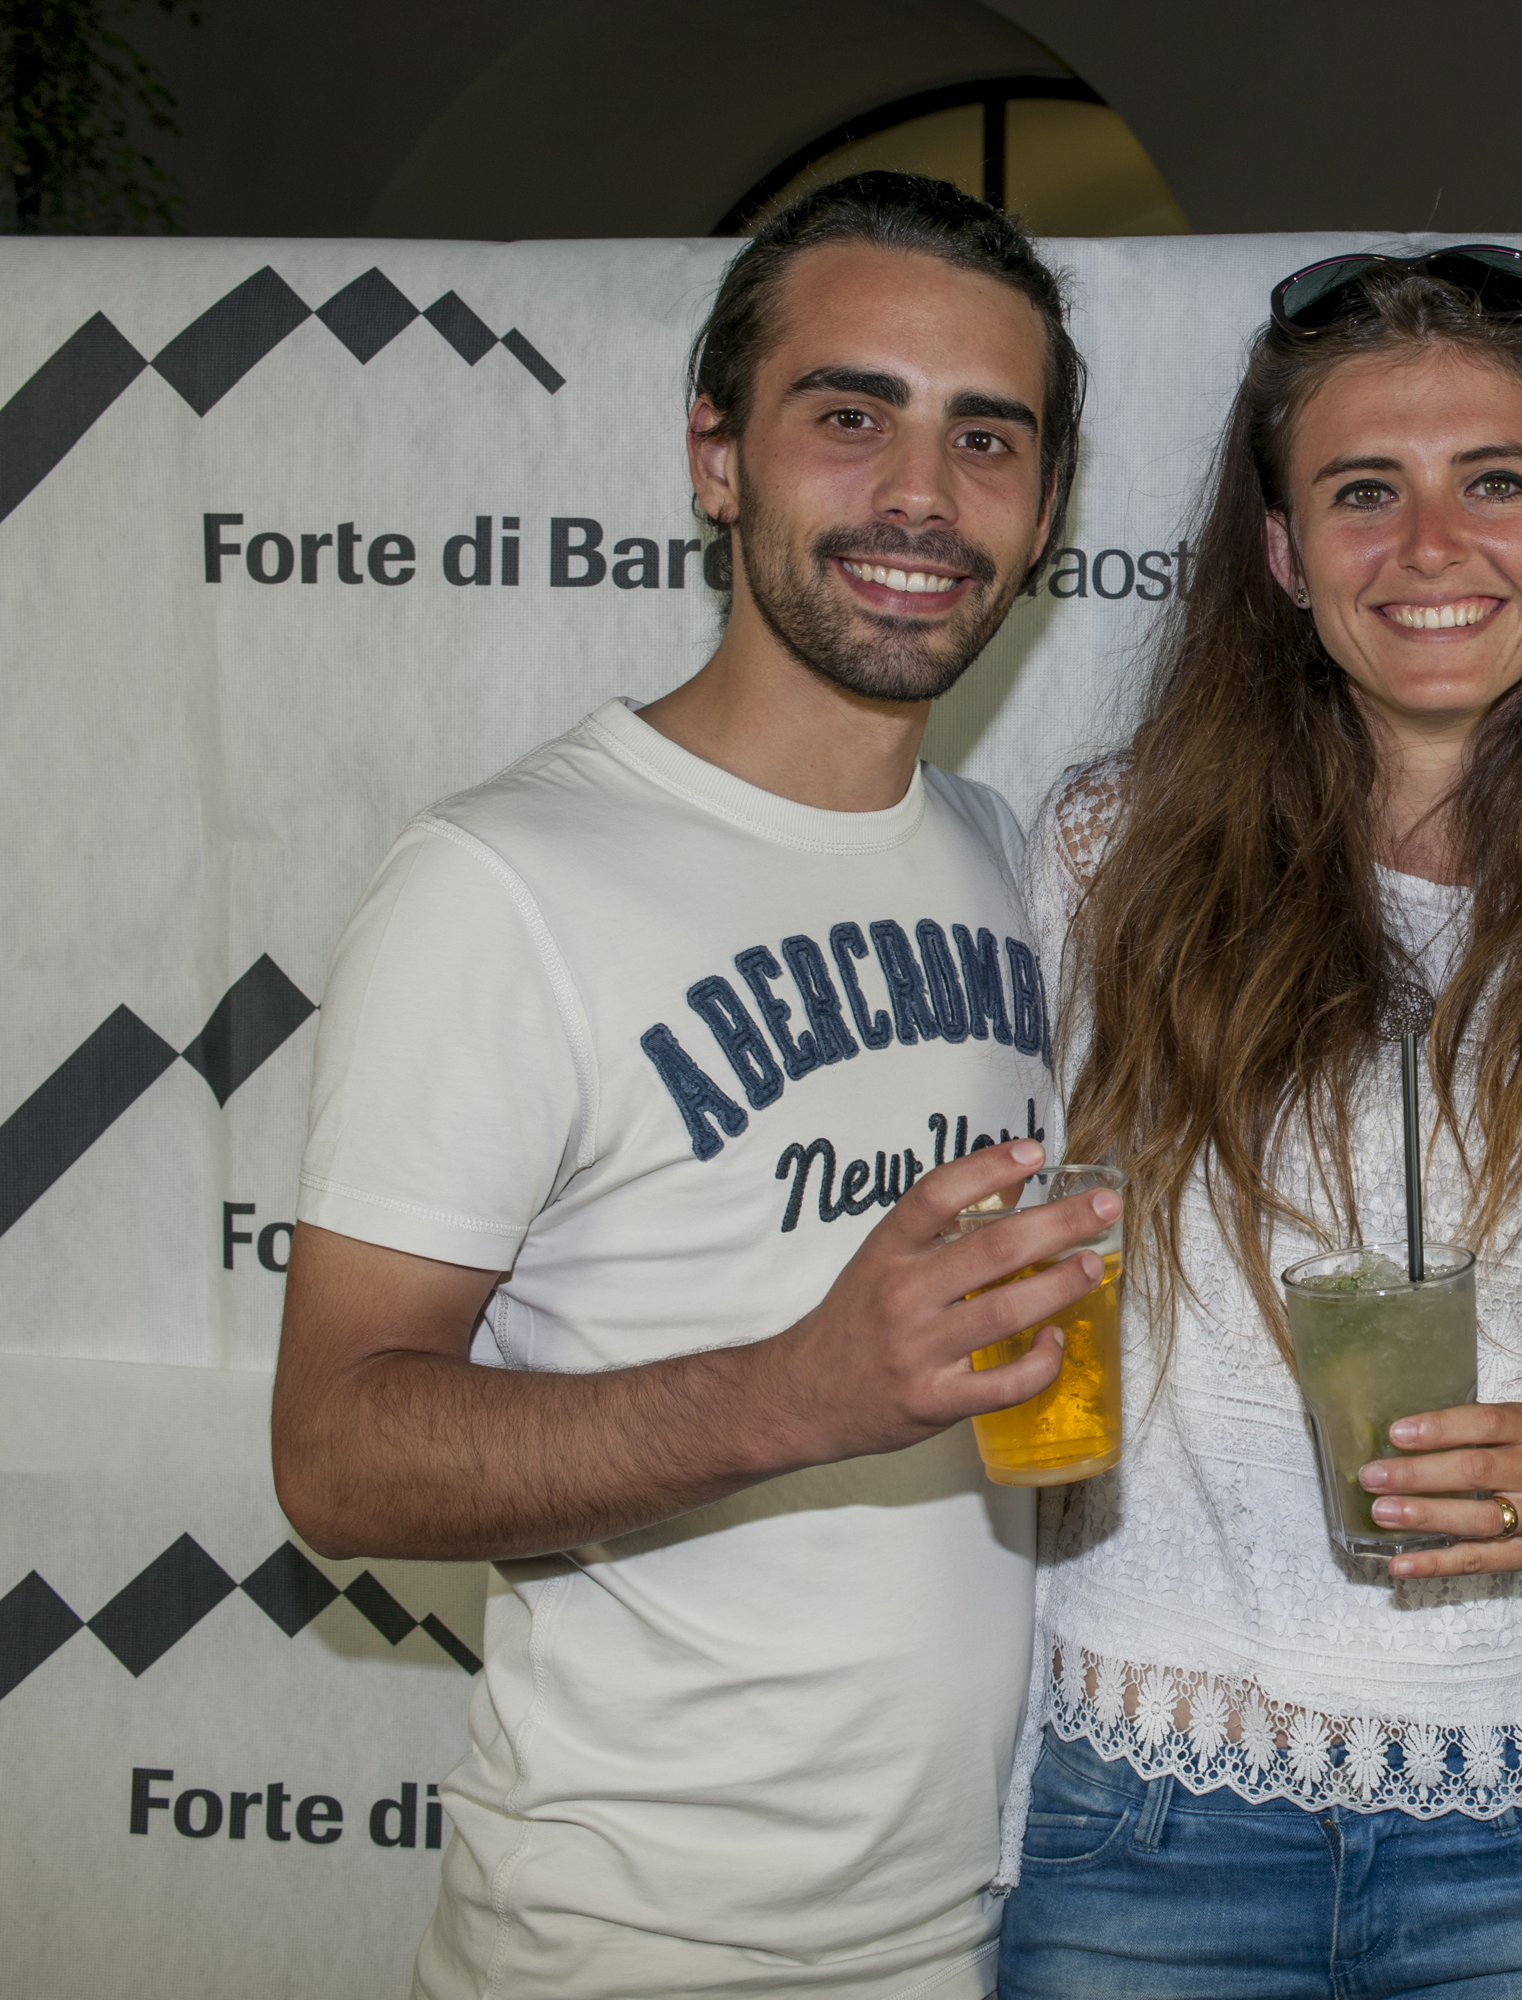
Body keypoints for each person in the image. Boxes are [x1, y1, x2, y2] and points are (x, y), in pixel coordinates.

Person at [270, 173, 1114, 2000]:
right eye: (850, 415)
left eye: (987, 438)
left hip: (989, 1918)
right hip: (635, 1948)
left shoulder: (1014, 862)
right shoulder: (503, 880)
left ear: (1045, 512)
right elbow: (335, 1454)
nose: (921, 493)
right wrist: (796, 1391)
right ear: (715, 457)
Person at [992, 248, 1522, 1998]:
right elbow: (1031, 1254)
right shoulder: (1107, 860)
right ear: (1281, 553)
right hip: (1146, 1809)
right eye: (1363, 491)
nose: (1430, 546)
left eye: (1495, 482)